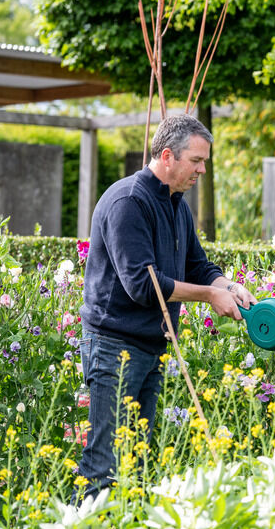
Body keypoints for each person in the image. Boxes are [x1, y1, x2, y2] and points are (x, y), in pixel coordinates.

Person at [77, 113, 256, 502]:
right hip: (113, 347)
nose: (202, 170)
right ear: (168, 156)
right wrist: (210, 297)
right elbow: (143, 286)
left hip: (150, 347)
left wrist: (228, 286)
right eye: (197, 161)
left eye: (205, 161)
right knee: (104, 461)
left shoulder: (177, 205)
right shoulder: (128, 201)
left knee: (137, 462)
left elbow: (198, 265)